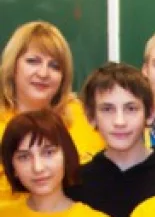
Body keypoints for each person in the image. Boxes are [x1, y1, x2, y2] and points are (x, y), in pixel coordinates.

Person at [69, 62, 155, 217]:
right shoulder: (77, 184)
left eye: (131, 108)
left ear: (150, 114)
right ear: (91, 116)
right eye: (107, 109)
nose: (119, 121)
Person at [0, 21, 102, 204]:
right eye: (33, 61)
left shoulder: (84, 117)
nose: (43, 73)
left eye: (55, 66)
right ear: (13, 65)